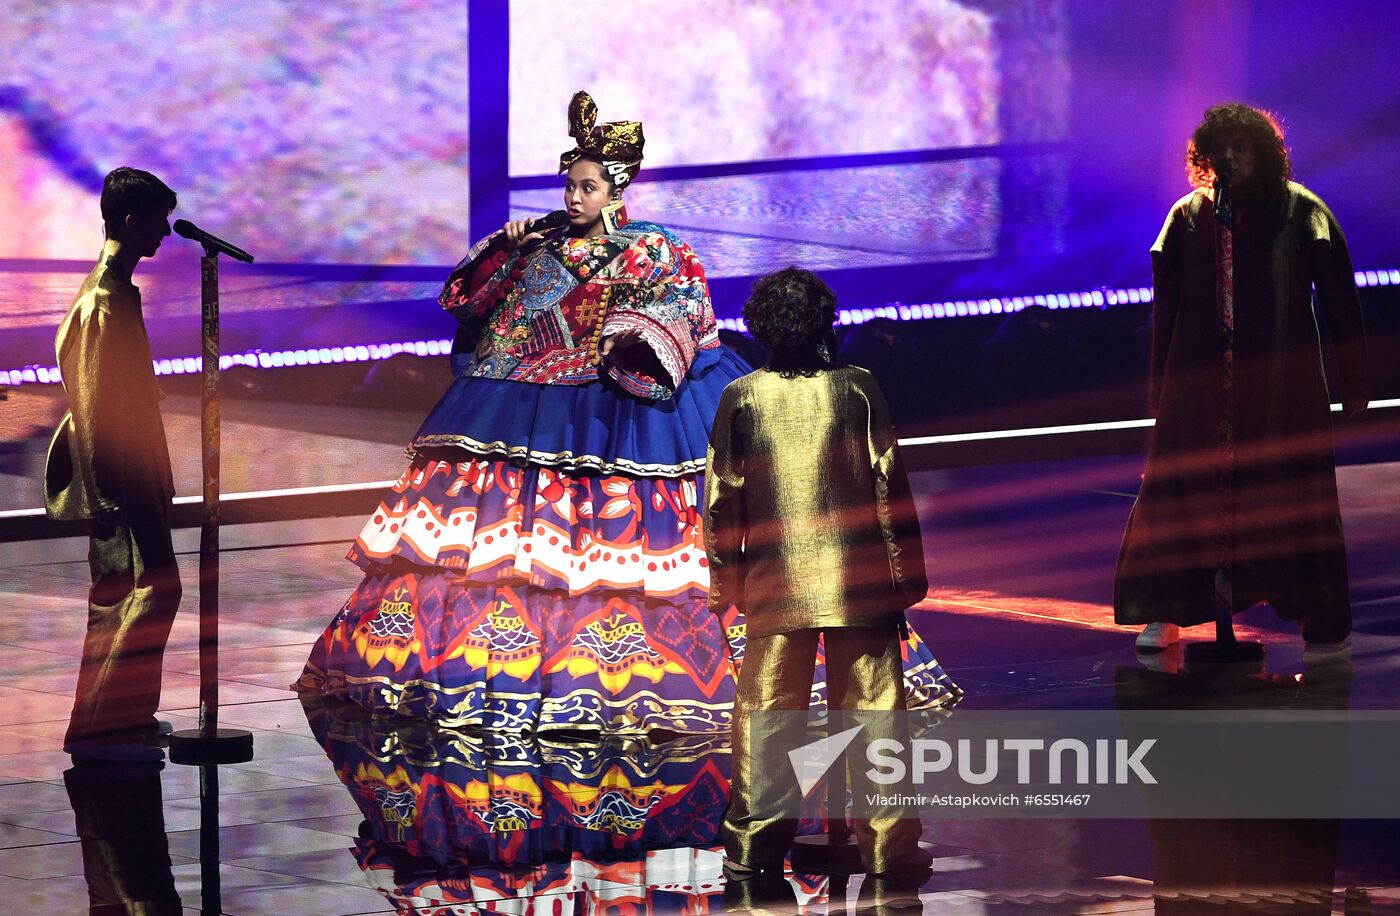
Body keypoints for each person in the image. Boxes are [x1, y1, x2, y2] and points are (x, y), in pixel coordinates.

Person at [706, 267, 951, 881]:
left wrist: (725, 582)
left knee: (768, 714)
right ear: (823, 322)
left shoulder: (744, 396)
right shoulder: (858, 389)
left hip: (774, 584)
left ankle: (755, 846)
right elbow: (889, 485)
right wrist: (905, 579)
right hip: (859, 582)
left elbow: (722, 499)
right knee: (874, 712)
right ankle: (887, 847)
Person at [1116, 103, 1368, 656]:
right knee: (1181, 495)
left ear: (1263, 152)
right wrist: (1162, 387)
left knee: (1292, 498)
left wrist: (1354, 384)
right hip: (1200, 393)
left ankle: (1320, 620)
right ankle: (1166, 610)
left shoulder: (1304, 212)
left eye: (1241, 148)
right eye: (1220, 149)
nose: (1230, 158)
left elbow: (1341, 304)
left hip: (1281, 390)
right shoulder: (1187, 217)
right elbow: (1169, 307)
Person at [45, 167, 180, 762]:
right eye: (158, 220)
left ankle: (118, 718)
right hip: (118, 478)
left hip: (134, 472)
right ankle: (105, 722)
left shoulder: (119, 292)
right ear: (130, 221)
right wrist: (104, 494)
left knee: (139, 591)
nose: (166, 233)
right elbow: (96, 403)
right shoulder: (102, 301)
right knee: (137, 592)